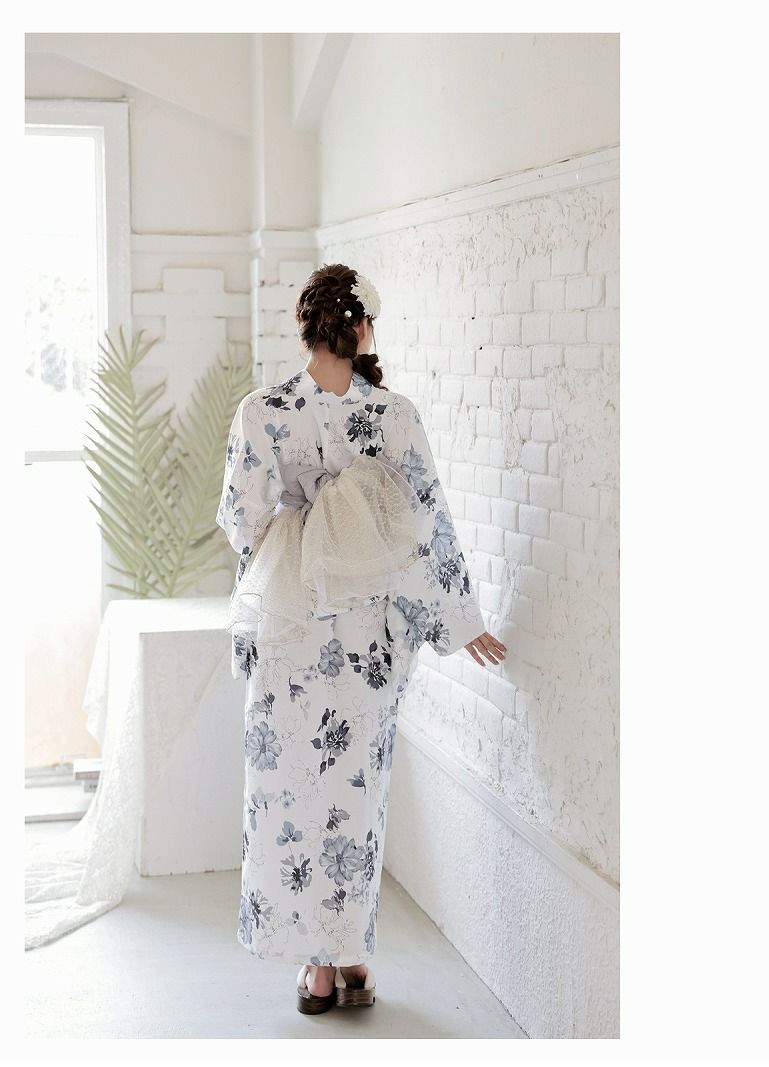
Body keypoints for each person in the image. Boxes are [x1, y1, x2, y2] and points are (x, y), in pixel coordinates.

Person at [215, 263, 506, 1013]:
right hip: (365, 638)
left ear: (304, 329)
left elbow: (243, 525)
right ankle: (350, 957)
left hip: (290, 623)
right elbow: (425, 523)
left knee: (288, 789)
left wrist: (299, 532)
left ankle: (314, 969)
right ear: (364, 328)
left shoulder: (262, 412)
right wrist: (462, 621)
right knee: (355, 794)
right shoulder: (393, 416)